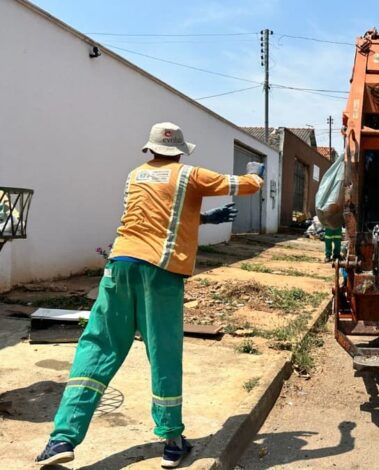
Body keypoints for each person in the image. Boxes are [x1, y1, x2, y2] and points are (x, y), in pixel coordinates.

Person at [35, 122, 264, 468]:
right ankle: (172, 440)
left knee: (98, 348)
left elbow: (156, 215)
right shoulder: (190, 175)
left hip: (119, 265)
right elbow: (242, 186)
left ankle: (61, 438)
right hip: (161, 271)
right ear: (181, 150)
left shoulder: (135, 176)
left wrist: (203, 218)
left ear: (151, 149)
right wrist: (256, 173)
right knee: (163, 351)